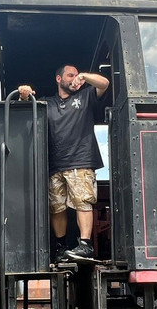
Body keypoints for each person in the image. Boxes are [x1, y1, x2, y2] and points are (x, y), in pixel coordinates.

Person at [18, 64, 109, 261]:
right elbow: (24, 114)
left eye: (76, 75)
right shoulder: (46, 103)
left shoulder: (85, 96)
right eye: (70, 75)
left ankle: (85, 245)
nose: (75, 78)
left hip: (81, 160)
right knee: (57, 207)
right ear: (59, 79)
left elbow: (104, 83)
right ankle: (61, 247)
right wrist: (24, 95)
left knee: (82, 201)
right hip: (54, 164)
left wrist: (84, 76)